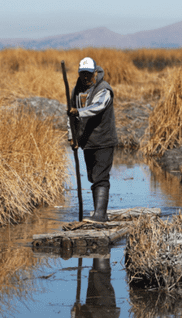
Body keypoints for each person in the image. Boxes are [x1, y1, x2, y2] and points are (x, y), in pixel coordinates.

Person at [67, 57, 118, 223]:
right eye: (83, 73)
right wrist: (72, 137)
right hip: (87, 142)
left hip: (104, 139)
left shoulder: (104, 89)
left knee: (100, 177)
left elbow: (98, 107)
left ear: (95, 73)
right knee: (92, 176)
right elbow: (70, 116)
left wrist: (78, 112)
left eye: (89, 74)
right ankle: (100, 212)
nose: (86, 77)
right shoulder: (77, 90)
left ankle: (100, 215)